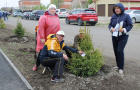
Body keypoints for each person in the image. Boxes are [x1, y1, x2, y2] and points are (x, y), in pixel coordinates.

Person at [33, 4, 60, 71]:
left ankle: (50, 65)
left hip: (53, 38)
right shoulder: (44, 17)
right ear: (49, 9)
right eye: (52, 9)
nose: (53, 10)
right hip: (45, 38)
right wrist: (42, 38)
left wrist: (58, 37)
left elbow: (58, 28)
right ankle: (37, 64)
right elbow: (41, 28)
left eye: (54, 9)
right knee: (42, 52)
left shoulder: (56, 17)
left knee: (52, 51)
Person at [108, 3, 133, 75]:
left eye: (118, 8)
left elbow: (130, 25)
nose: (116, 10)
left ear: (121, 9)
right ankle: (118, 65)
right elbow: (109, 25)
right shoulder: (113, 16)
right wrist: (111, 28)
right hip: (114, 36)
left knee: (119, 51)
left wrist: (124, 29)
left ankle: (121, 68)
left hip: (123, 37)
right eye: (115, 9)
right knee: (116, 51)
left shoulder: (126, 16)